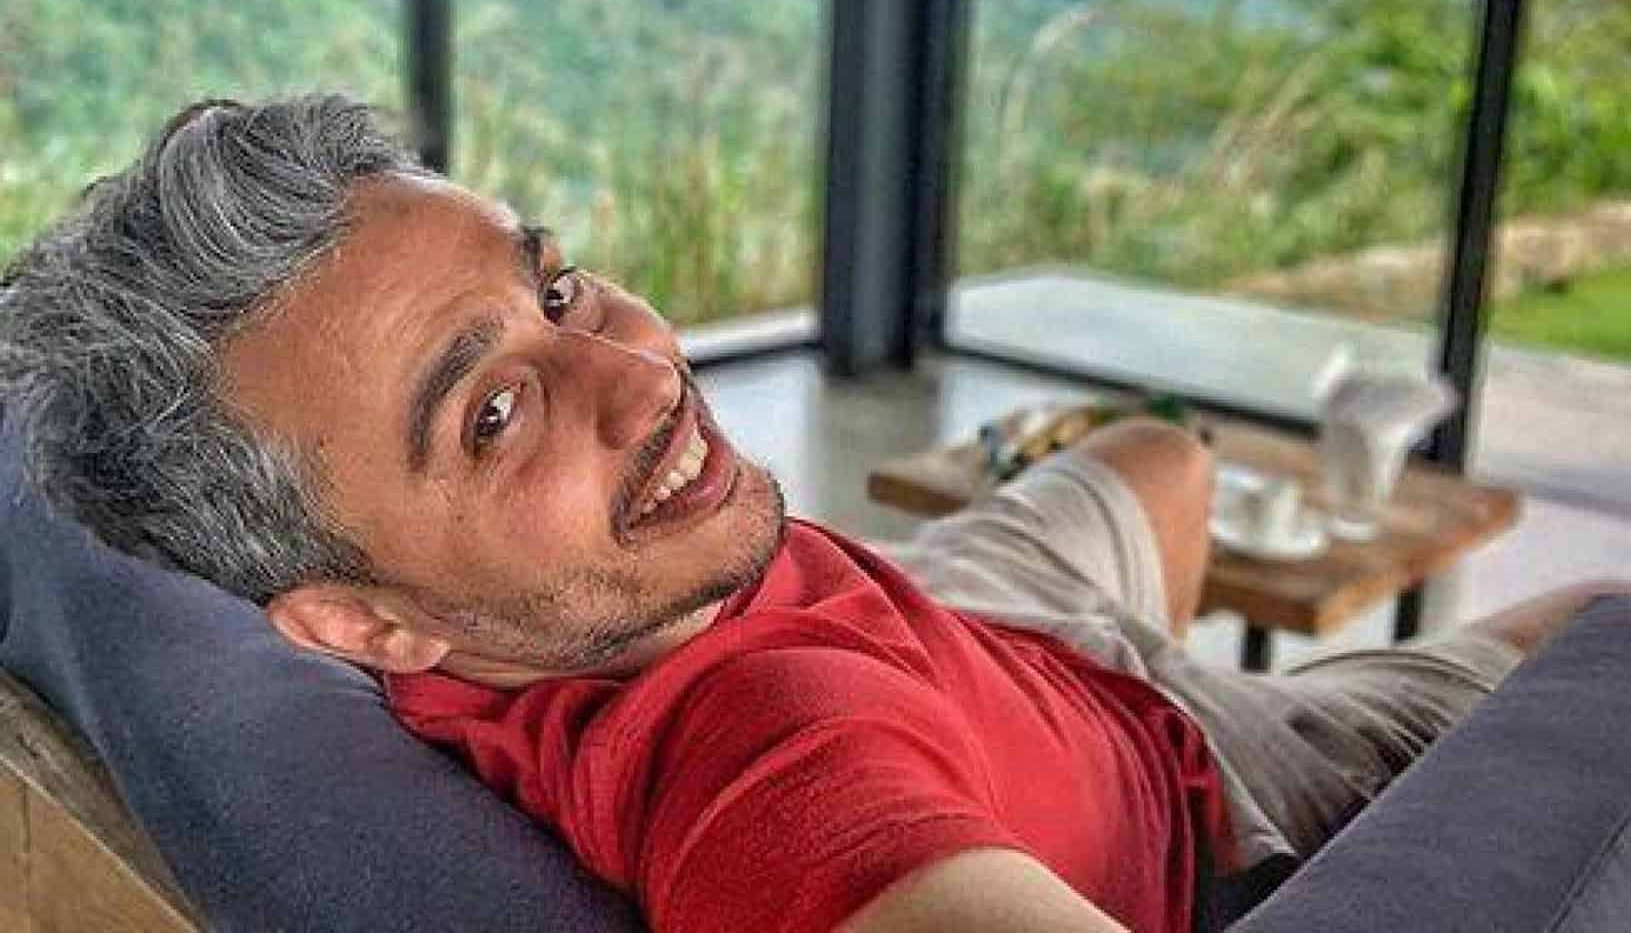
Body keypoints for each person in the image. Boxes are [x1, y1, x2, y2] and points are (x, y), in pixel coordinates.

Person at [0, 96, 1620, 933]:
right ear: (364, 625)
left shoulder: (585, 595)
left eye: (554, 286)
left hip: (960, 623)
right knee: (1587, 628)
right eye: (492, 413)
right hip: (1199, 775)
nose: (641, 370)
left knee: (1157, 457)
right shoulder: (768, 759)